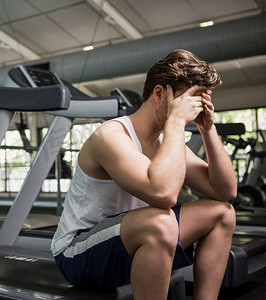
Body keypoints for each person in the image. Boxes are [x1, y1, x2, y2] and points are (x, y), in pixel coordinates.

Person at [51, 49, 237, 300]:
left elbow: (226, 191)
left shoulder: (167, 141)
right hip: (77, 254)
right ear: (160, 93)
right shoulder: (111, 136)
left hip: (127, 242)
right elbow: (164, 195)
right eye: (187, 99)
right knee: (161, 221)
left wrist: (207, 128)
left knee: (223, 213)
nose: (192, 108)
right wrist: (175, 123)